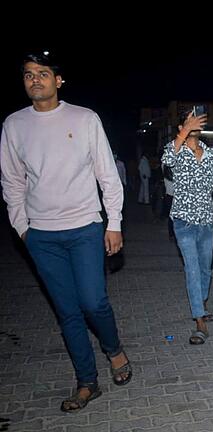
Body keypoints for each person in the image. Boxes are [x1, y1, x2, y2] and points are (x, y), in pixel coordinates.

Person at [0, 52, 132, 413]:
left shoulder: (85, 119)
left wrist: (114, 222)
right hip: (42, 236)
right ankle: (87, 382)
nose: (35, 80)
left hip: (85, 227)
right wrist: (23, 229)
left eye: (43, 74)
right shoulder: (14, 125)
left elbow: (108, 175)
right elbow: (12, 181)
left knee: (93, 302)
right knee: (67, 313)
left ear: (58, 80)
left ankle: (113, 349)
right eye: (28, 75)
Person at [161, 111, 213, 345]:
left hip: (206, 221)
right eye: (189, 121)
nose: (195, 124)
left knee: (206, 268)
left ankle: (201, 303)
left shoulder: (209, 155)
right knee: (192, 269)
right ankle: (199, 321)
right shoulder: (176, 151)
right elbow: (166, 161)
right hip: (183, 222)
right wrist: (184, 131)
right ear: (182, 126)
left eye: (196, 121)